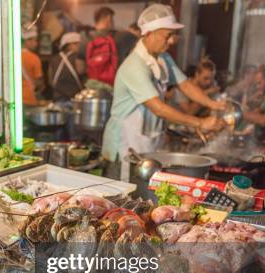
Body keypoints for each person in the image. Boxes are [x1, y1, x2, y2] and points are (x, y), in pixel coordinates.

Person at [101, 4, 225, 181]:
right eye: (167, 36)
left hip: (146, 141)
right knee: (123, 197)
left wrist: (213, 104)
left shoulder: (162, 58)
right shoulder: (134, 66)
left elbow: (185, 84)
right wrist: (200, 122)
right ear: (149, 33)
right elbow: (158, 108)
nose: (172, 40)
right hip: (124, 145)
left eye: (173, 35)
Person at [80, 6, 118, 85]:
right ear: (108, 18)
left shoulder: (85, 37)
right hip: (111, 83)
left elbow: (80, 68)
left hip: (92, 82)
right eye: (112, 19)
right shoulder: (116, 37)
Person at [49, 32, 84, 102]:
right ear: (69, 45)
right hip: (75, 98)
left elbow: (50, 80)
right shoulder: (78, 57)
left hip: (58, 98)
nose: (80, 46)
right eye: (77, 44)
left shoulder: (53, 59)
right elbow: (82, 74)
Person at [21, 27, 44, 106]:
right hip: (29, 98)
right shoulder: (34, 58)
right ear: (27, 41)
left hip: (13, 97)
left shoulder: (12, 57)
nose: (36, 43)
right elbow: (38, 82)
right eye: (35, 40)